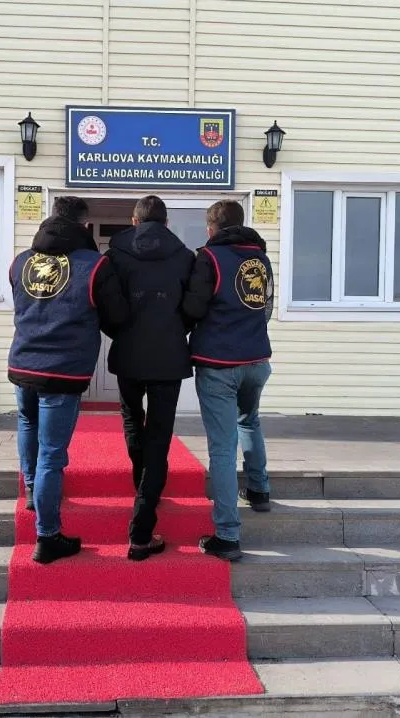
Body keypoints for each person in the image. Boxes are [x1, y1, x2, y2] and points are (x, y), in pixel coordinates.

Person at [8, 196, 127, 564]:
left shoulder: (21, 262)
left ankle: (33, 491)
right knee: (52, 455)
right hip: (62, 369)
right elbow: (116, 317)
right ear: (83, 225)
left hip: (23, 362)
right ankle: (47, 537)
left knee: (27, 424)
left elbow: (22, 305)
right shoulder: (94, 265)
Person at [104, 195, 195, 561]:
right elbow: (193, 307)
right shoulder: (185, 256)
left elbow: (106, 305)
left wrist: (123, 332)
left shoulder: (115, 254)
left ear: (134, 220)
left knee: (132, 420)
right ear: (166, 223)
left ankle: (142, 490)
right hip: (169, 358)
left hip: (128, 354)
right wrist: (174, 331)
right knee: (158, 437)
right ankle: (142, 526)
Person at [182, 199, 274, 562]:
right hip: (257, 360)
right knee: (249, 421)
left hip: (219, 363)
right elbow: (265, 307)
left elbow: (193, 308)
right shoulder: (260, 258)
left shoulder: (209, 257)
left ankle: (227, 535)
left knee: (222, 448)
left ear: (211, 228)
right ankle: (259, 490)